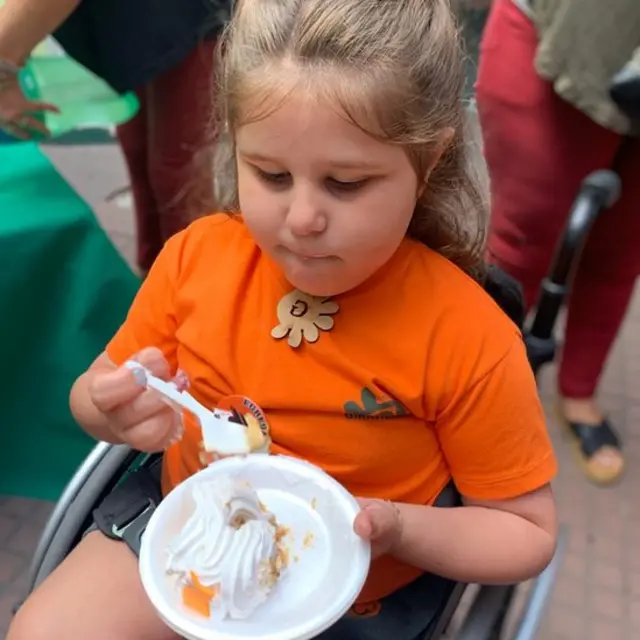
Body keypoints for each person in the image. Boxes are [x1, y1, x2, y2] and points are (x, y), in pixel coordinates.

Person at [8, 1, 558, 638]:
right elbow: (93, 394)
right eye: (269, 174)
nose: (302, 219)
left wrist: (402, 528)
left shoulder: (466, 334)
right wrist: (109, 407)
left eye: (346, 183)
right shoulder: (195, 260)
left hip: (353, 595)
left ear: (429, 161)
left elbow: (525, 530)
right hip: (192, 542)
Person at [475, 0, 640, 485]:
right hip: (560, 40)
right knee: (521, 242)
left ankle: (578, 393)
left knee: (622, 252)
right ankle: (479, 386)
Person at [0, 0, 230, 275]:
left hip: (185, 15)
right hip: (129, 21)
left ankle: (197, 294)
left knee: (178, 172)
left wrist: (4, 68)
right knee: (138, 148)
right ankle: (154, 278)